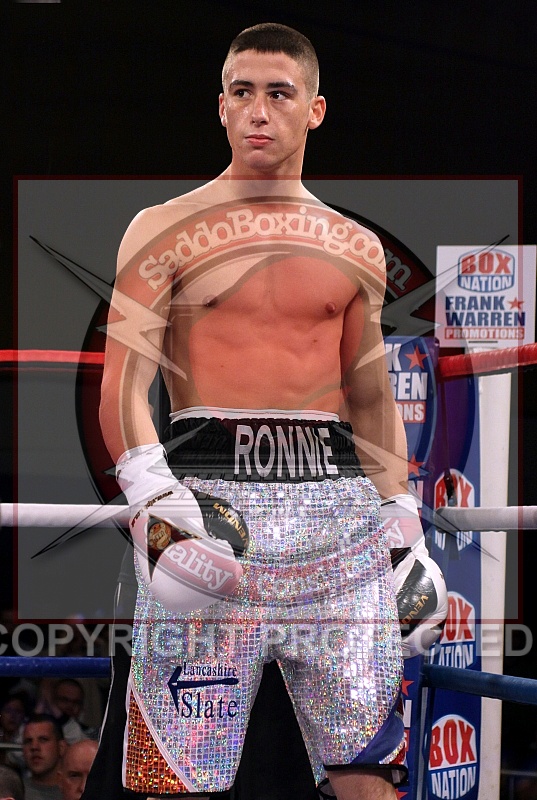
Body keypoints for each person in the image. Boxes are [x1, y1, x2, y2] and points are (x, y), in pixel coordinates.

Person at [88, 22, 447, 800]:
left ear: (313, 109)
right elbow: (122, 383)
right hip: (209, 497)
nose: (258, 110)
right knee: (178, 775)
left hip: (335, 508)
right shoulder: (163, 228)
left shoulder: (354, 246)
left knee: (367, 767)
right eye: (241, 92)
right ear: (220, 106)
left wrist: (402, 528)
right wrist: (155, 500)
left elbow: (369, 397)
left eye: (278, 94)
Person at [21, 715, 65, 800]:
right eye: (28, 741)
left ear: (61, 747)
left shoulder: (77, 791)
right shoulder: (14, 792)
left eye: (43, 739)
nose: (34, 747)